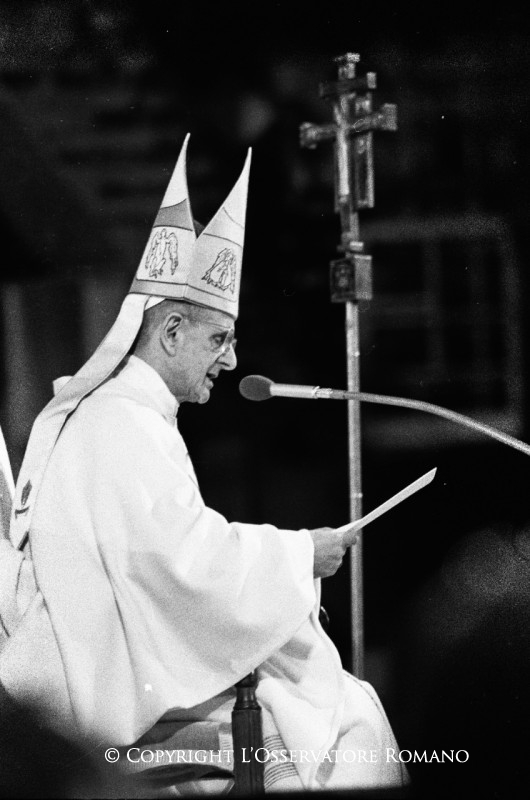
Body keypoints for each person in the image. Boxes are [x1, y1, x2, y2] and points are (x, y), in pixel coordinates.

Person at [1, 135, 408, 795]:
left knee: (327, 698)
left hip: (117, 664)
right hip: (102, 690)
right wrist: (299, 555)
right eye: (218, 339)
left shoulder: (130, 415)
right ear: (170, 333)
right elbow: (180, 563)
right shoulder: (122, 423)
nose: (230, 360)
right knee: (345, 721)